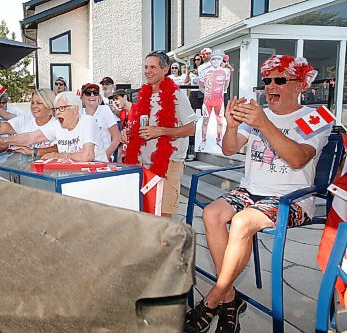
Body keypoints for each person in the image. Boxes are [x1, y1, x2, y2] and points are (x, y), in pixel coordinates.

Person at [184, 55, 330, 333]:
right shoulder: (258, 115)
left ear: (300, 84)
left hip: (292, 198)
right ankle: (231, 299)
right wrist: (233, 125)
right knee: (212, 213)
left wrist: (264, 124)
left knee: (242, 222)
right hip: (250, 191)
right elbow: (228, 150)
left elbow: (299, 159)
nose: (271, 86)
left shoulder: (316, 116)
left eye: (280, 80)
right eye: (267, 80)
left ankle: (214, 299)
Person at [121, 50, 196, 217]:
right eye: (146, 67)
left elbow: (191, 129)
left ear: (165, 69)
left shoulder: (176, 94)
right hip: (144, 162)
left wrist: (161, 131)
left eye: (153, 67)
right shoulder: (143, 95)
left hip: (168, 163)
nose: (148, 71)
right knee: (145, 213)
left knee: (163, 217)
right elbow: (141, 126)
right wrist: (128, 133)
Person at [0, 91, 107, 162]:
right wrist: (3, 140)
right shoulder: (57, 125)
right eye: (56, 109)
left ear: (75, 110)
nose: (57, 112)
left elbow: (87, 156)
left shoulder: (87, 121)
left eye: (62, 108)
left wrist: (58, 156)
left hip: (97, 177)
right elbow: (30, 137)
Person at [0, 89, 59, 158]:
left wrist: (35, 152)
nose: (34, 106)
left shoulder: (58, 124)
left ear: (49, 105)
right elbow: (1, 127)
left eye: (39, 103)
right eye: (32, 102)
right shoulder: (25, 119)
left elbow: (59, 148)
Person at [198, 50, 231, 150]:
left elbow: (226, 86)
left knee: (220, 121)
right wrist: (208, 93)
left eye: (218, 59)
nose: (216, 61)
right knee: (205, 121)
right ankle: (203, 141)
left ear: (221, 60)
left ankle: (219, 139)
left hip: (219, 100)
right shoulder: (204, 71)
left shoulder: (226, 71)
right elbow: (201, 87)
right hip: (207, 100)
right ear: (211, 60)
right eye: (213, 59)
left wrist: (218, 92)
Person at [81, 83, 120, 161]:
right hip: (84, 160)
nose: (92, 95)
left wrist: (106, 156)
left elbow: (117, 137)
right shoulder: (79, 113)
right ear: (82, 98)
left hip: (103, 161)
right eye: (88, 93)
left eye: (95, 93)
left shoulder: (105, 110)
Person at [112, 89, 136, 162]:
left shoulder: (138, 109)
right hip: (127, 151)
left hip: (139, 151)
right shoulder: (122, 113)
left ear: (125, 97)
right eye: (114, 100)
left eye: (117, 98)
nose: (115, 102)